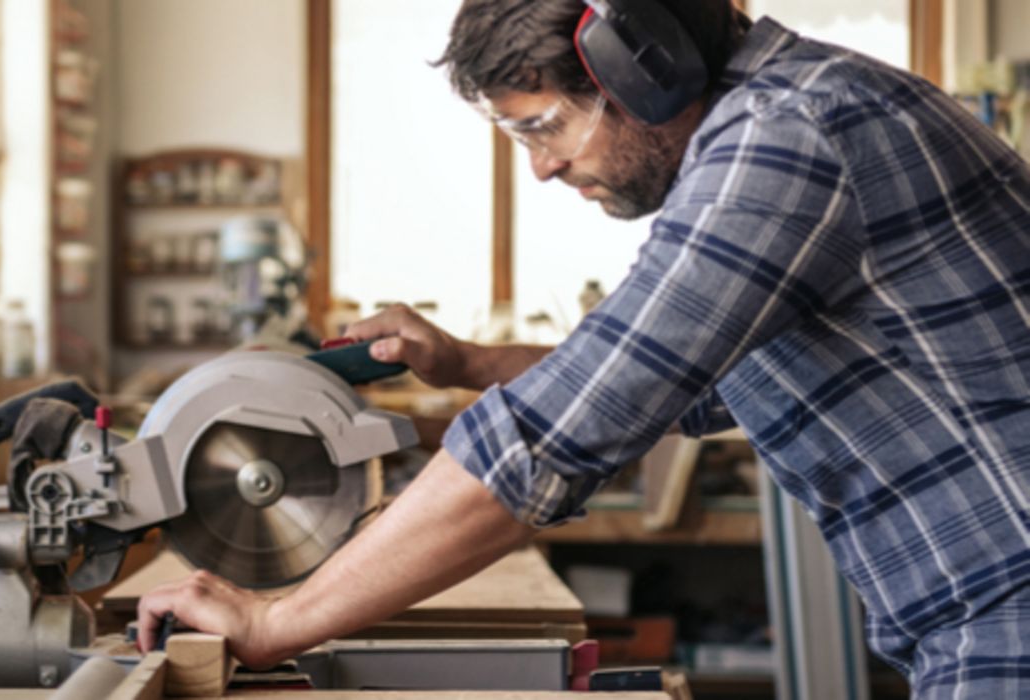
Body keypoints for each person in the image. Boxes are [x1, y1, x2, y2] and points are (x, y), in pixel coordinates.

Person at [137, 1, 1030, 697]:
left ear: (643, 71)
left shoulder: (786, 137)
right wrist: (470, 364)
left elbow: (557, 437)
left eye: (542, 126)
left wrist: (276, 621)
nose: (540, 168)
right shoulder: (791, 115)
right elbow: (677, 389)